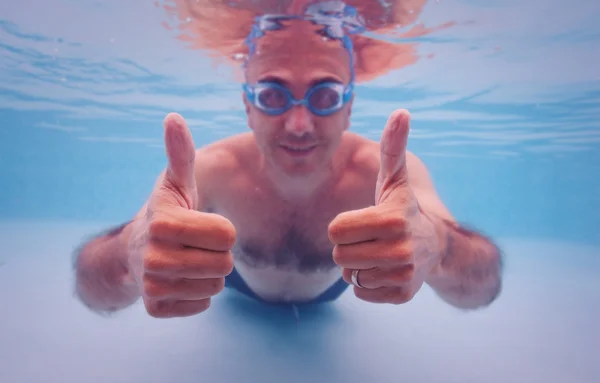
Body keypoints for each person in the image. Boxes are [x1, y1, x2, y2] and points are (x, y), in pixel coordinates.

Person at [72, 9, 503, 319]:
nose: (299, 124)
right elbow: (92, 290)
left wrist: (440, 247)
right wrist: (129, 254)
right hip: (238, 288)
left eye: (325, 96)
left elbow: (482, 288)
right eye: (274, 95)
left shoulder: (385, 175)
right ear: (248, 106)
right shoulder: (208, 170)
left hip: (328, 294)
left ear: (348, 109)